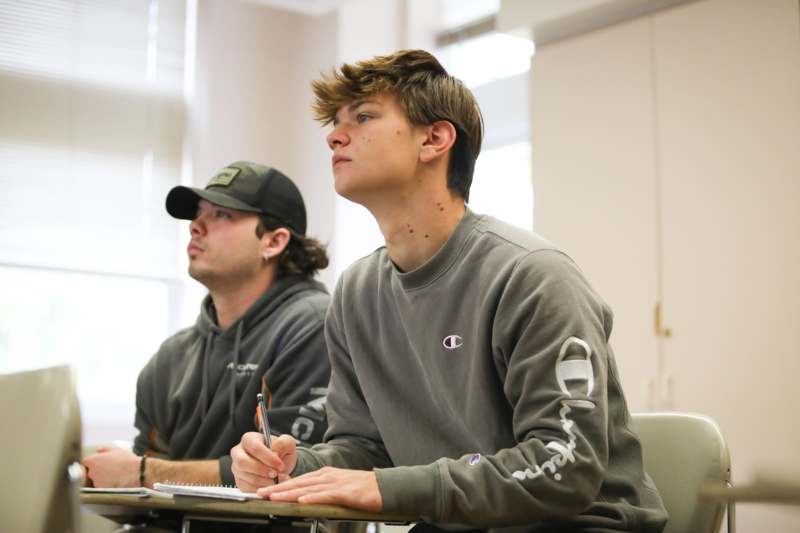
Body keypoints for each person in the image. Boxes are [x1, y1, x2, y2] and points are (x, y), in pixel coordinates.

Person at [230, 50, 668, 533]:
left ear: (434, 139)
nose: (335, 135)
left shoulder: (531, 276)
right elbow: (365, 447)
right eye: (335, 123)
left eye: (364, 117)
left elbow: (565, 466)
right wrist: (297, 469)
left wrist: (389, 488)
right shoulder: (356, 293)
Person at [83, 161, 331, 489]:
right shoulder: (171, 357)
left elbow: (283, 471)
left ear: (273, 242)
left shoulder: (312, 326)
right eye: (198, 213)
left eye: (221, 215)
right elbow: (145, 492)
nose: (195, 226)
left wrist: (144, 473)